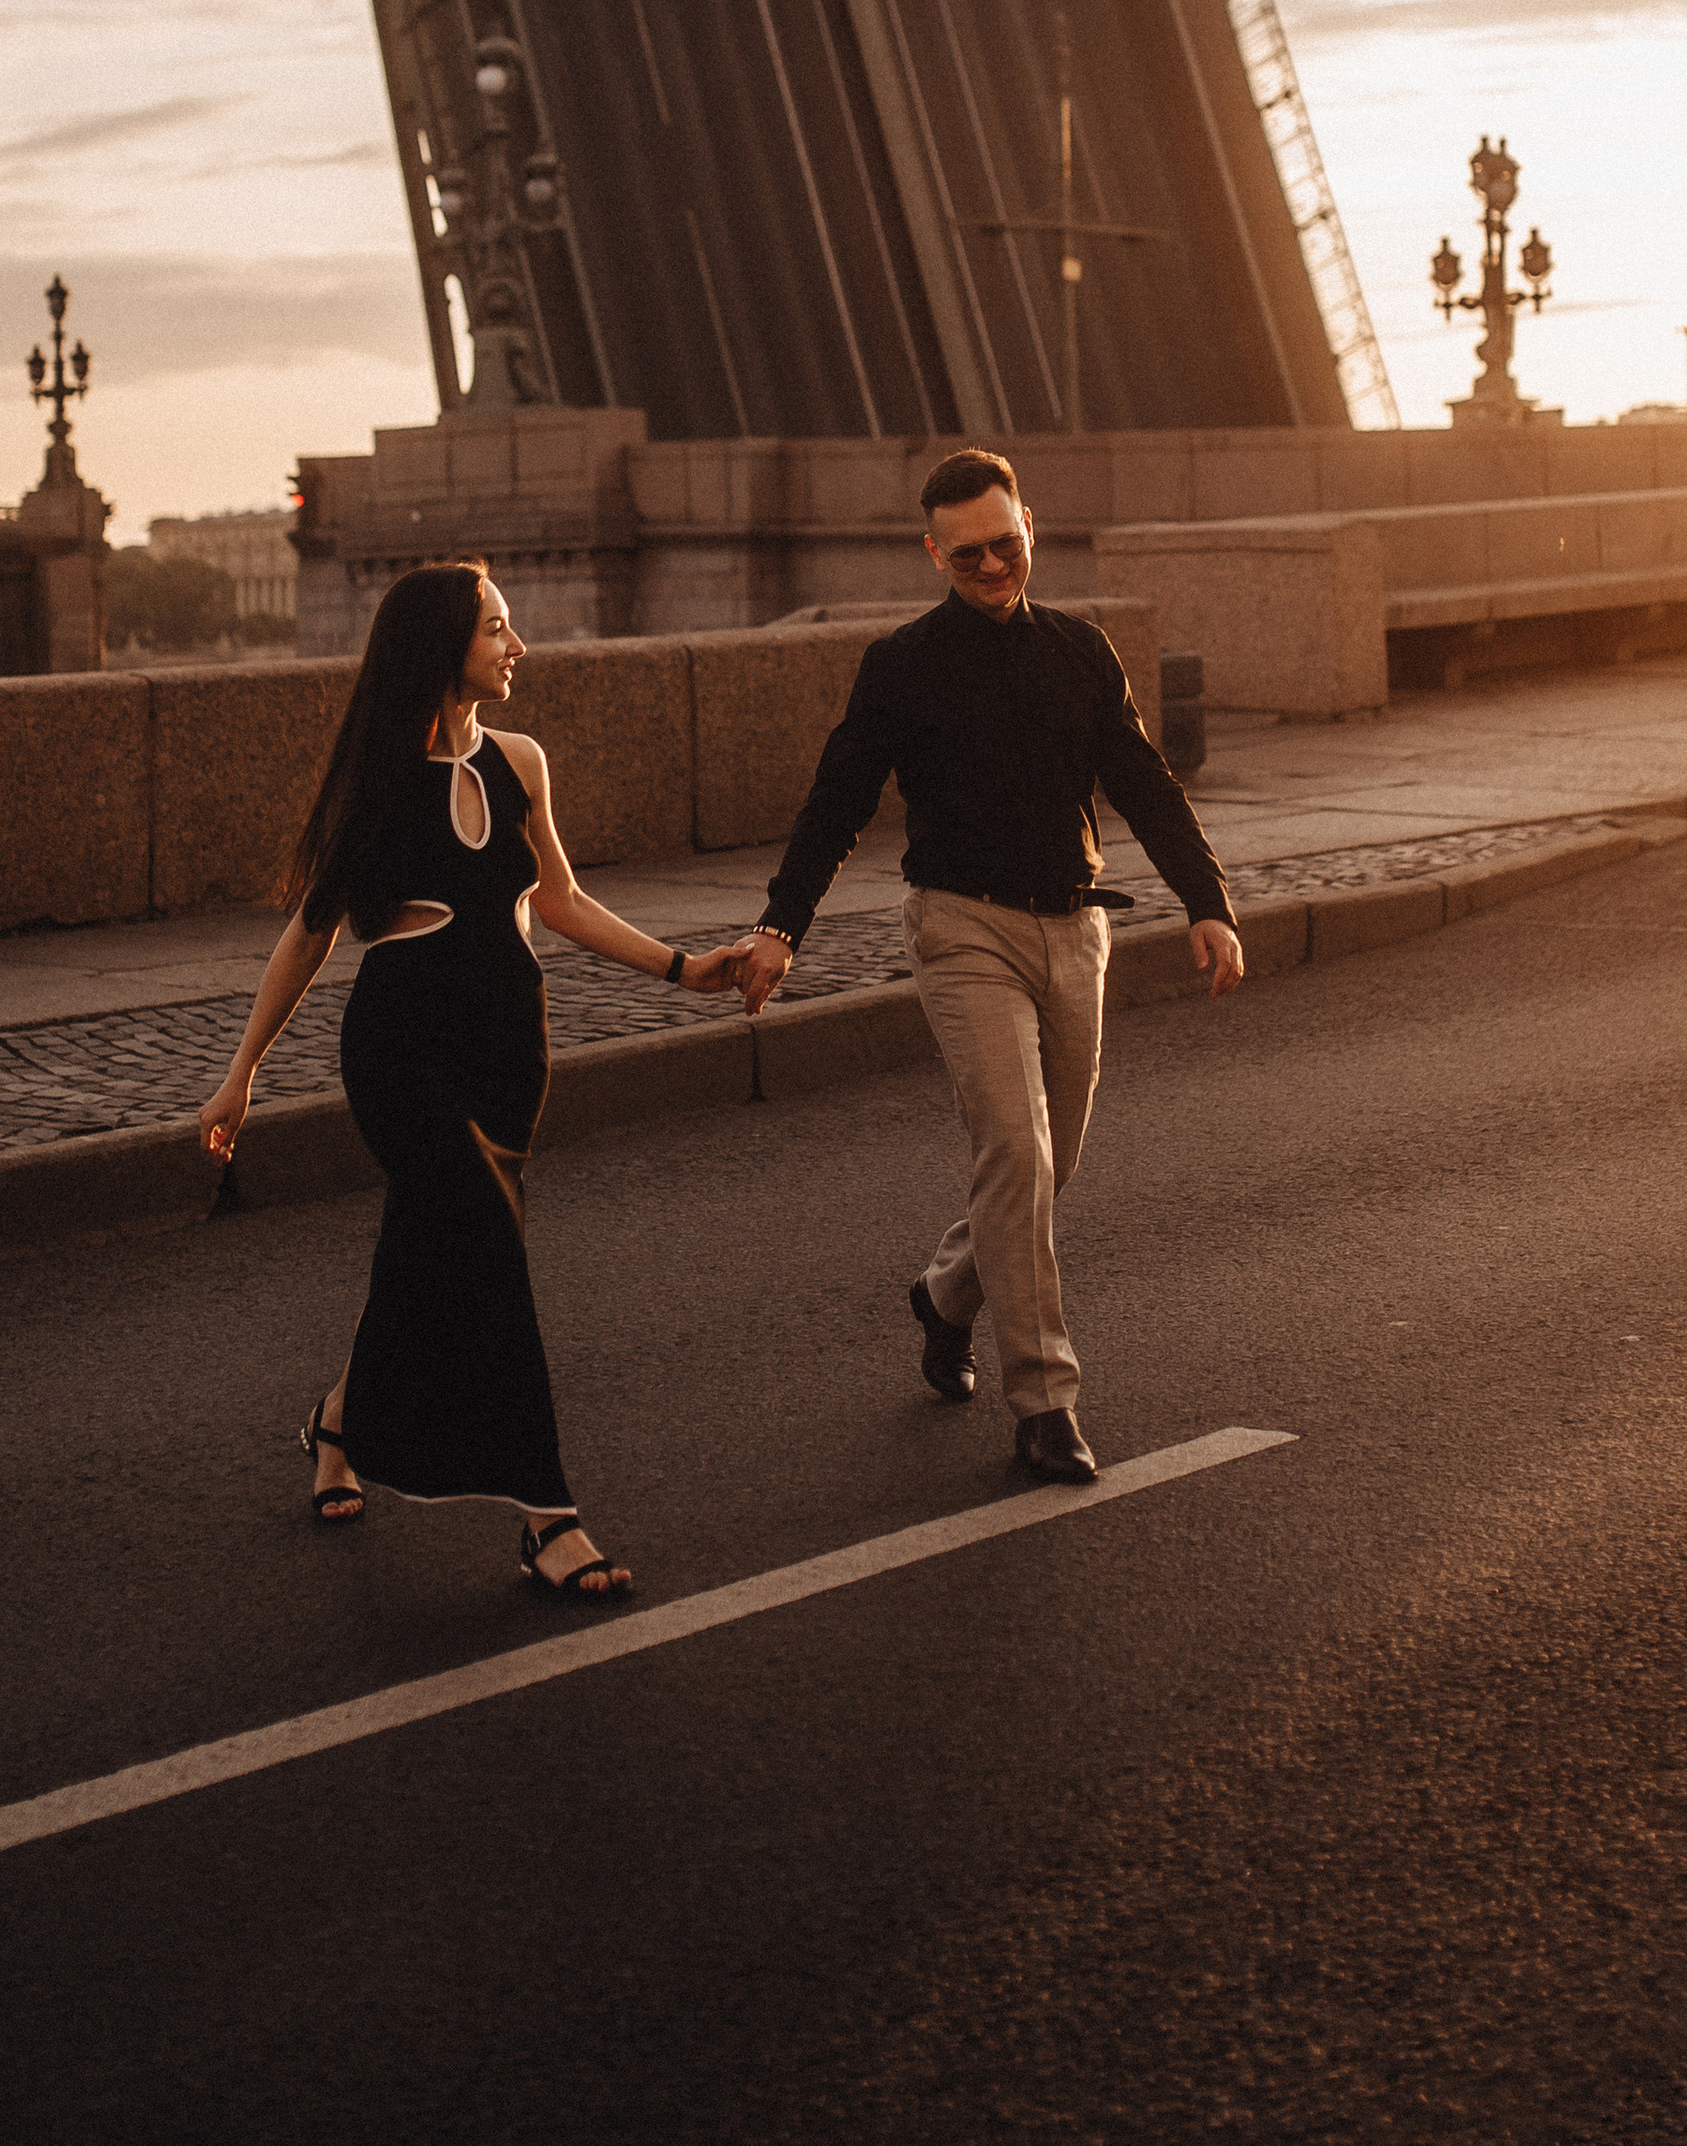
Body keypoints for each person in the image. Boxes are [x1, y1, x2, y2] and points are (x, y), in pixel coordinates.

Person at [198, 560, 748, 1597]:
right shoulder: (381, 777)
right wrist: (242, 1078)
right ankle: (548, 1518)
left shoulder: (523, 762)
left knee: (429, 1253)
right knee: (488, 1258)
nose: (517, 645)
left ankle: (337, 1421)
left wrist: (683, 970)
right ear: (445, 647)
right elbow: (308, 937)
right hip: (402, 1051)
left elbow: (566, 902)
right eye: (497, 628)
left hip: (510, 1050)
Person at [741, 448, 1243, 1484]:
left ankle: (944, 1296)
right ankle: (1045, 1404)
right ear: (934, 554)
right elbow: (836, 804)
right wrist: (779, 928)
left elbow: (1143, 782)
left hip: (1076, 927)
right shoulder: (900, 665)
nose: (988, 565)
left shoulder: (1079, 650)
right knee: (1015, 1154)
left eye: (1003, 545)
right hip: (961, 931)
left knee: (1049, 1166)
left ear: (1030, 532)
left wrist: (1208, 904)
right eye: (964, 553)